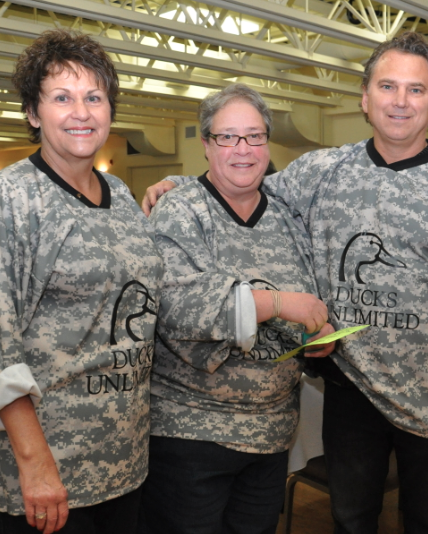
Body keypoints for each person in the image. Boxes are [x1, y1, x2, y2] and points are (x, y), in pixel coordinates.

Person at [143, 31, 428, 534]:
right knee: (350, 520)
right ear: (365, 98)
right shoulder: (322, 171)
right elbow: (244, 182)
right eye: (387, 86)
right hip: (350, 390)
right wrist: (179, 185)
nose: (399, 101)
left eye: (416, 90)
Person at [0, 30, 163, 534]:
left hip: (123, 459)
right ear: (32, 112)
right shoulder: (9, 198)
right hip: (49, 472)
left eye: (94, 97)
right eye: (62, 98)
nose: (81, 112)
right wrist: (36, 462)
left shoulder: (120, 194)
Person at [138, 83, 336, 534]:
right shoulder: (181, 210)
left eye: (254, 136)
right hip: (191, 435)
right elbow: (178, 306)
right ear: (207, 145)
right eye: (227, 137)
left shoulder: (287, 216)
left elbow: (311, 297)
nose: (242, 149)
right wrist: (279, 302)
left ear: (268, 143)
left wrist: (315, 334)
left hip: (270, 437)